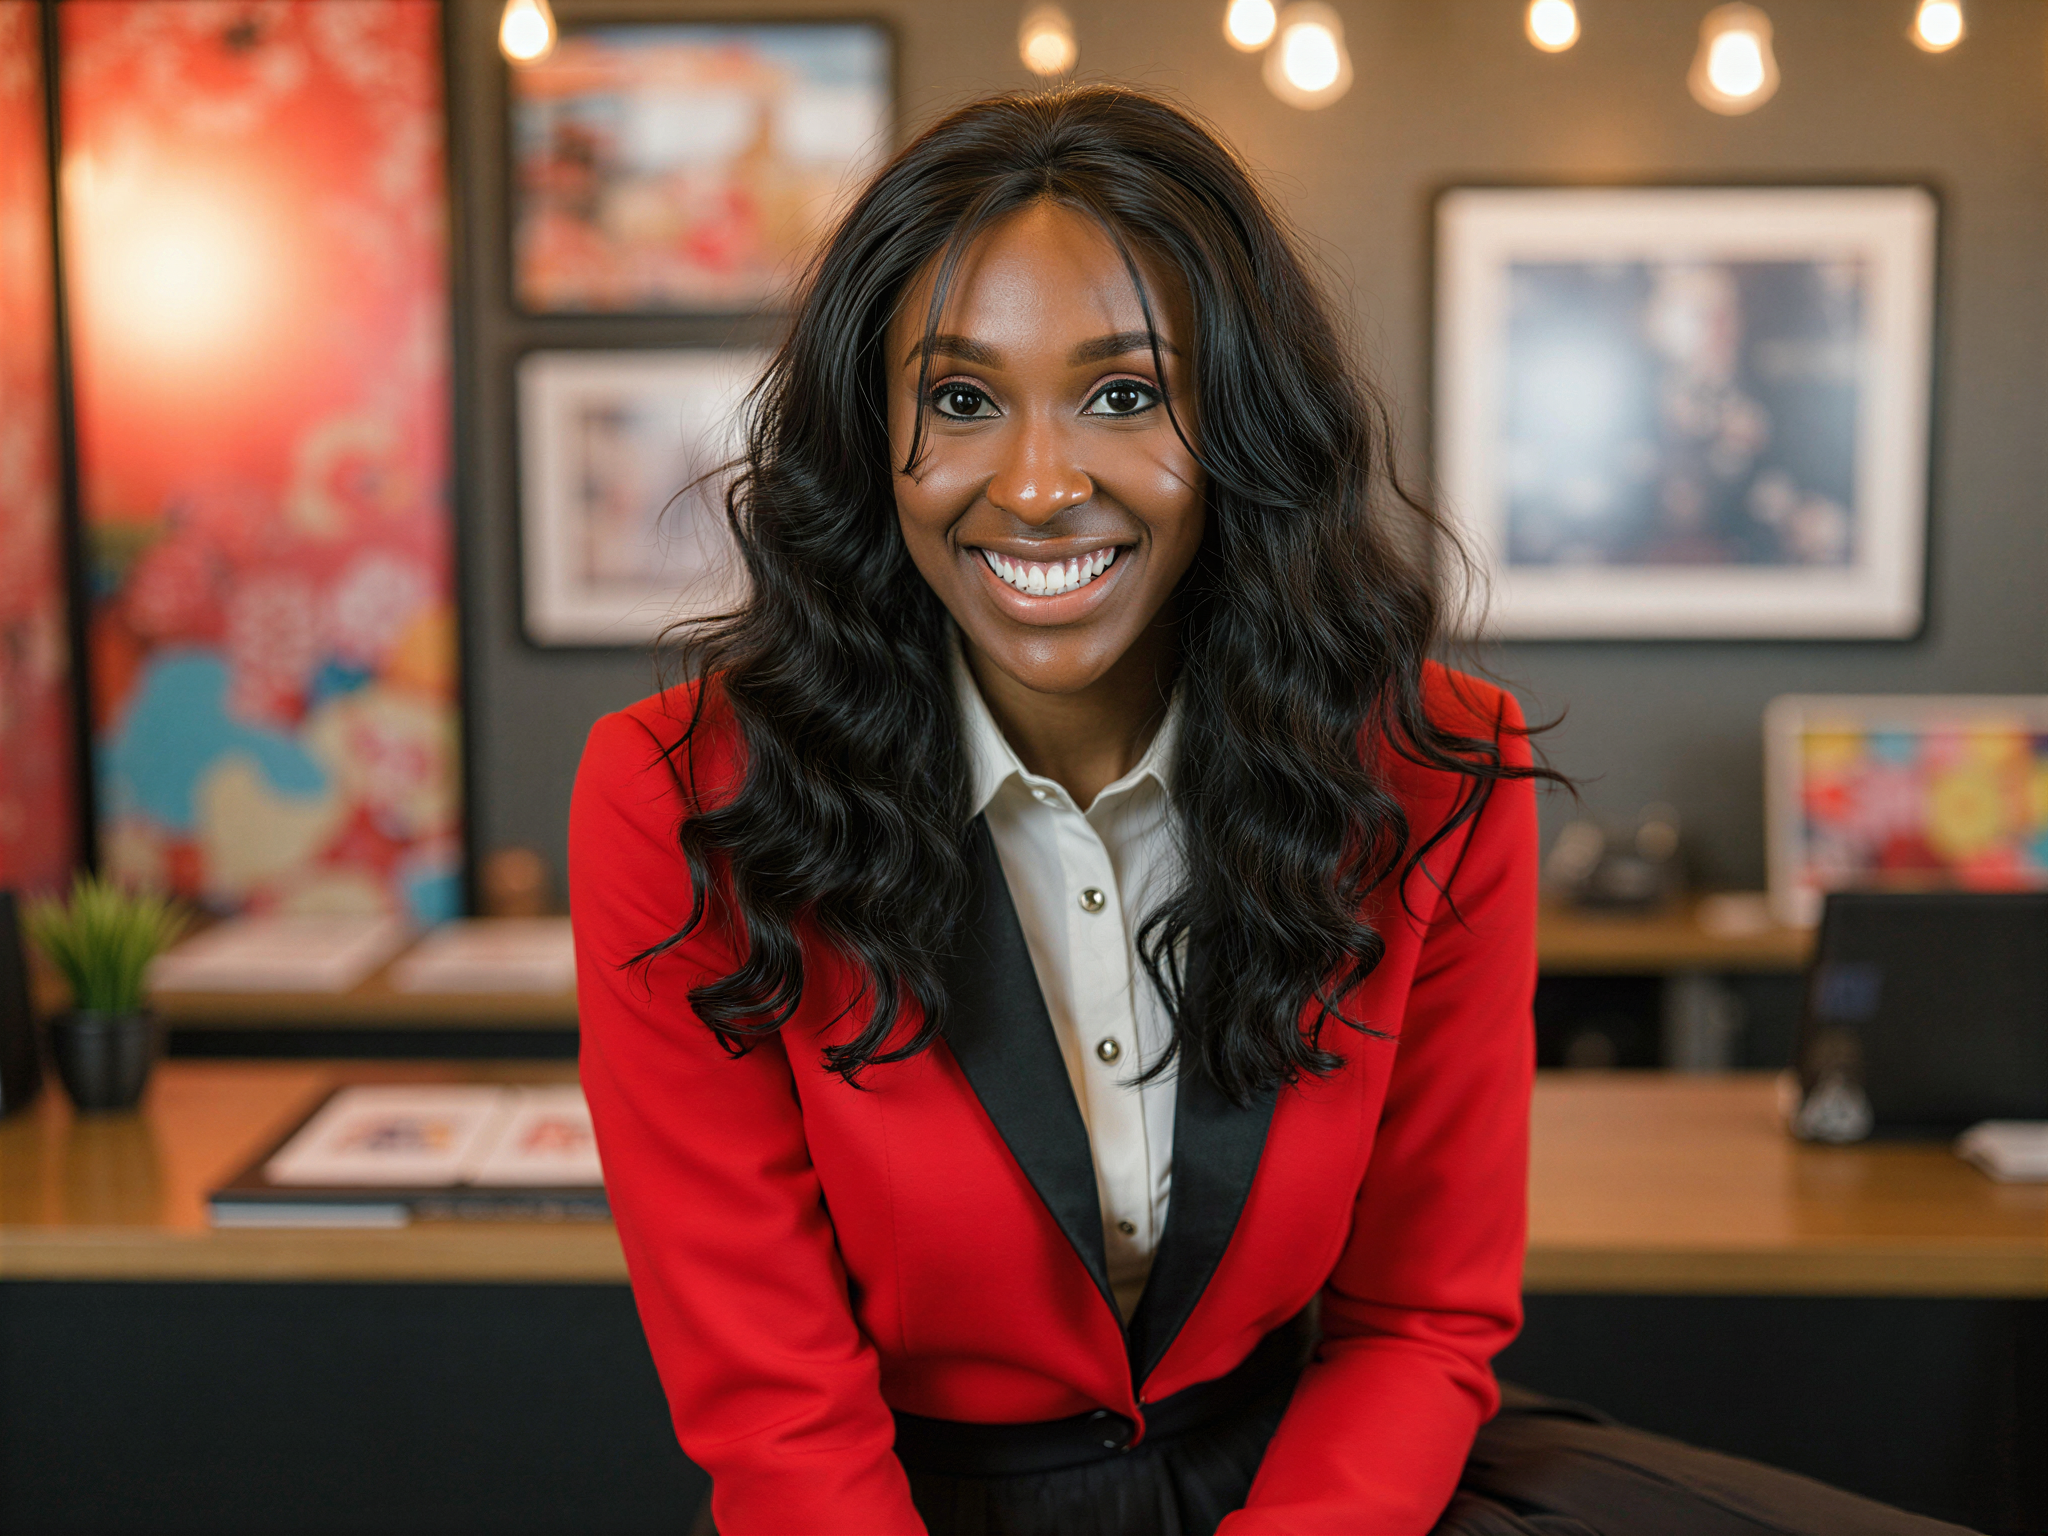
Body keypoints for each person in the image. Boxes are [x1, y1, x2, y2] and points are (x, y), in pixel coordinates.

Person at [570, 87, 1976, 1536]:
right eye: (962, 399)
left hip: (1323, 1490)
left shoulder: (1436, 771)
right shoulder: (678, 800)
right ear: (873, 438)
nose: (1041, 485)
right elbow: (777, 1407)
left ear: (1239, 422)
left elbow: (1420, 1320)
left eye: (1126, 394)